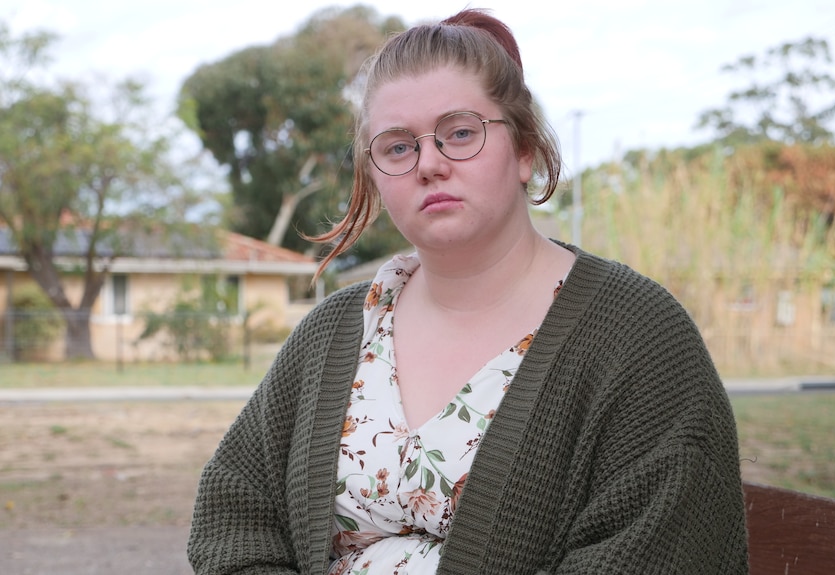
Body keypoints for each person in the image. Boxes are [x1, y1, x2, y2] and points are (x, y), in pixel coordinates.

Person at [187, 8, 749, 574]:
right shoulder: (335, 331)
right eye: (398, 147)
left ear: (525, 149)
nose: (429, 163)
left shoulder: (639, 337)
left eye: (460, 132)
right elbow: (235, 507)